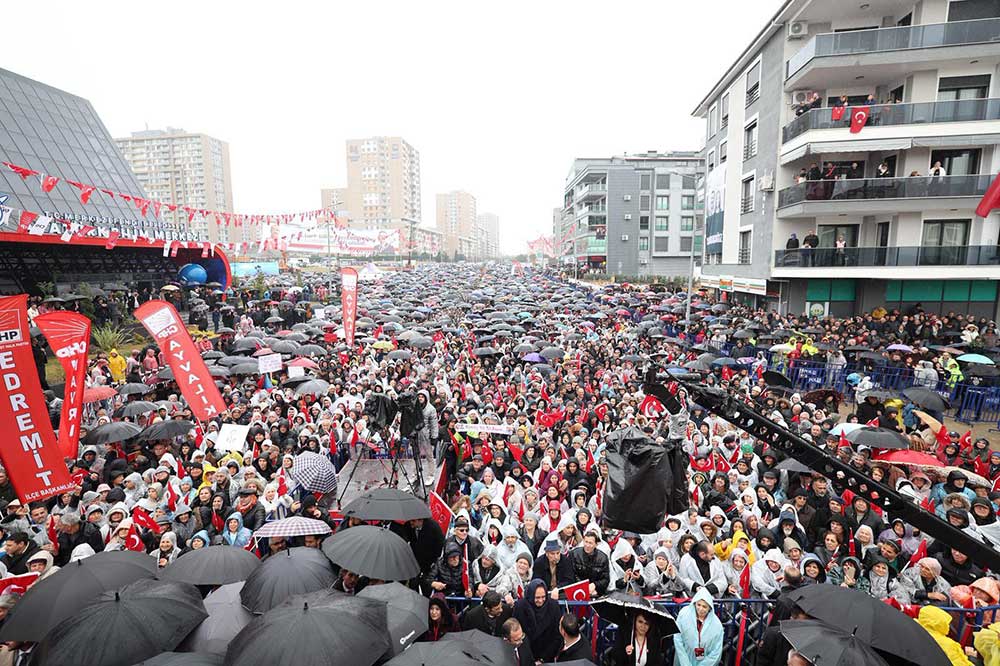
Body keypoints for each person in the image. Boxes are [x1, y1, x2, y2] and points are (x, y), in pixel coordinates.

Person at [513, 579, 563, 663]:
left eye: (543, 597)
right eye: (537, 597)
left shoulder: (553, 607)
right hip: (526, 657)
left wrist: (543, 660)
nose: (540, 601)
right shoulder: (520, 607)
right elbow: (516, 631)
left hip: (546, 657)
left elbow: (557, 636)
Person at [672, 588, 723, 665]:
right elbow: (677, 638)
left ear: (710, 607)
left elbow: (716, 652)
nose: (700, 609)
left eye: (704, 606)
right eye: (698, 605)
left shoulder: (717, 625)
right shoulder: (684, 614)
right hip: (682, 660)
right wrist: (685, 663)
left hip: (705, 661)